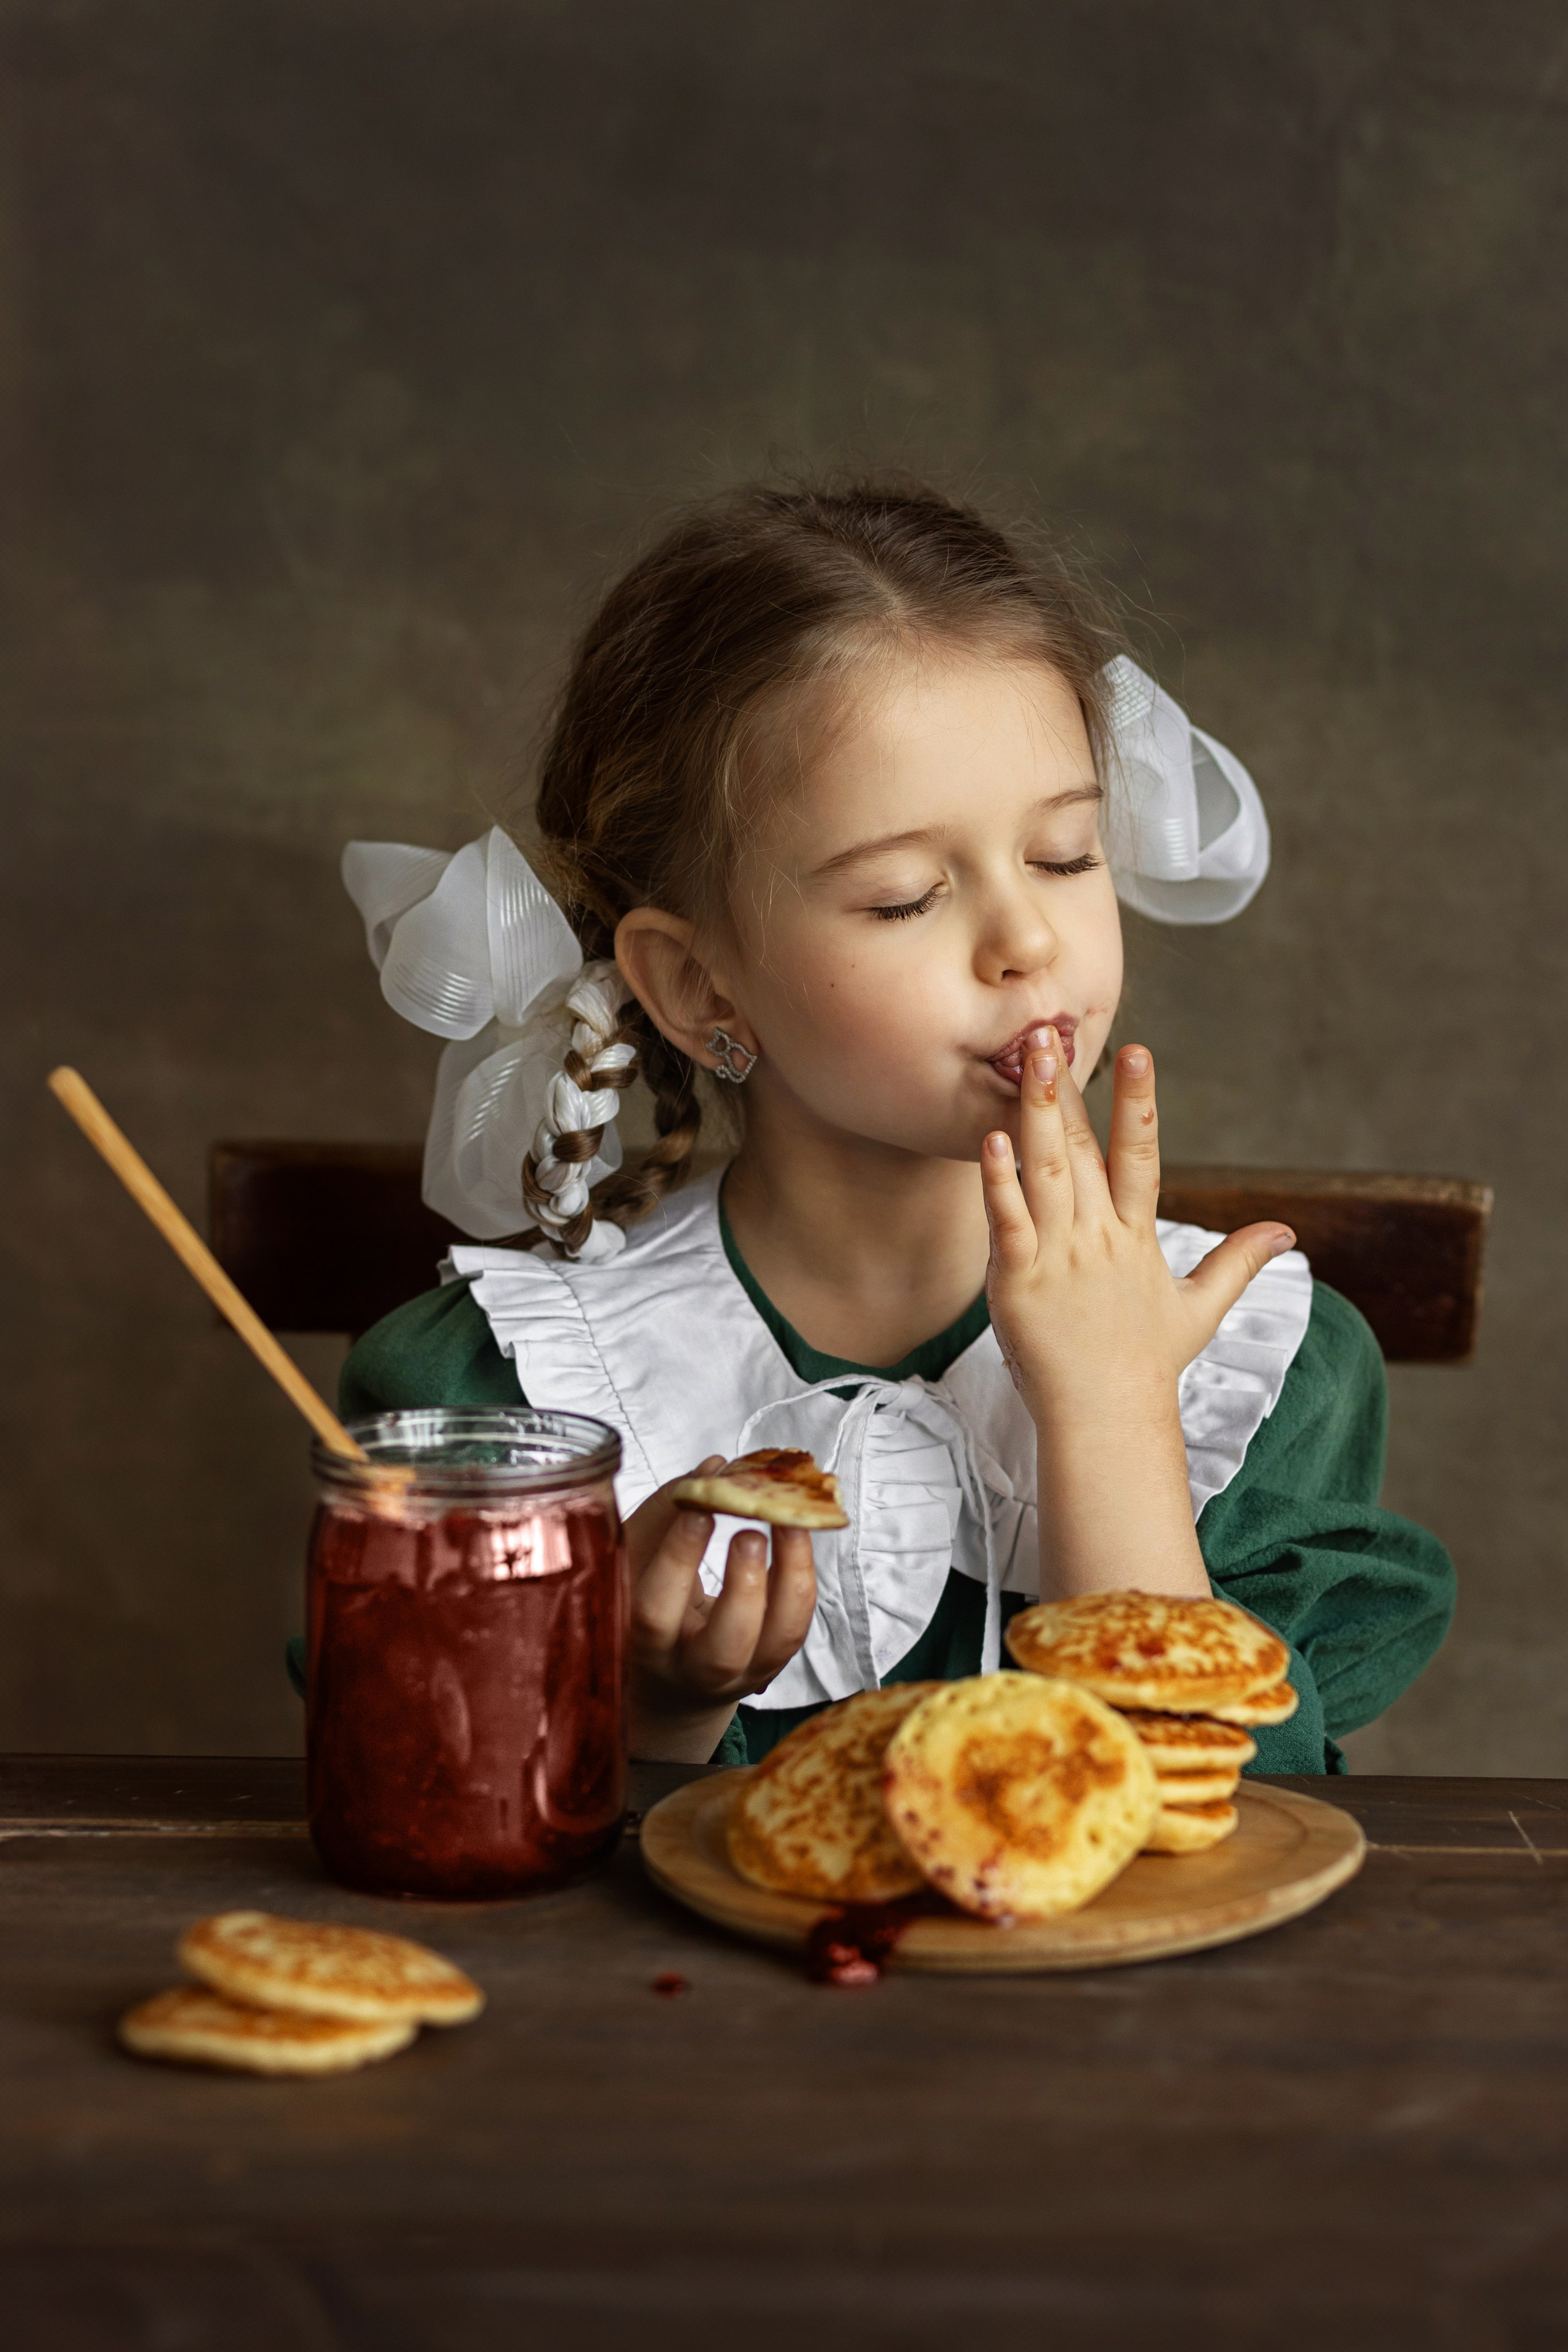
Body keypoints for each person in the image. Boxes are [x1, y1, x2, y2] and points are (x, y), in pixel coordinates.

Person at [337, 479, 1454, 1773]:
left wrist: (1109, 1416)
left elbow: (1235, 1833)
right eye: (903, 896)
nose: (1027, 941)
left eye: (1063, 856)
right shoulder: (500, 1401)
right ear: (702, 986)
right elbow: (434, 1815)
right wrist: (651, 1707)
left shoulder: (1262, 1370)